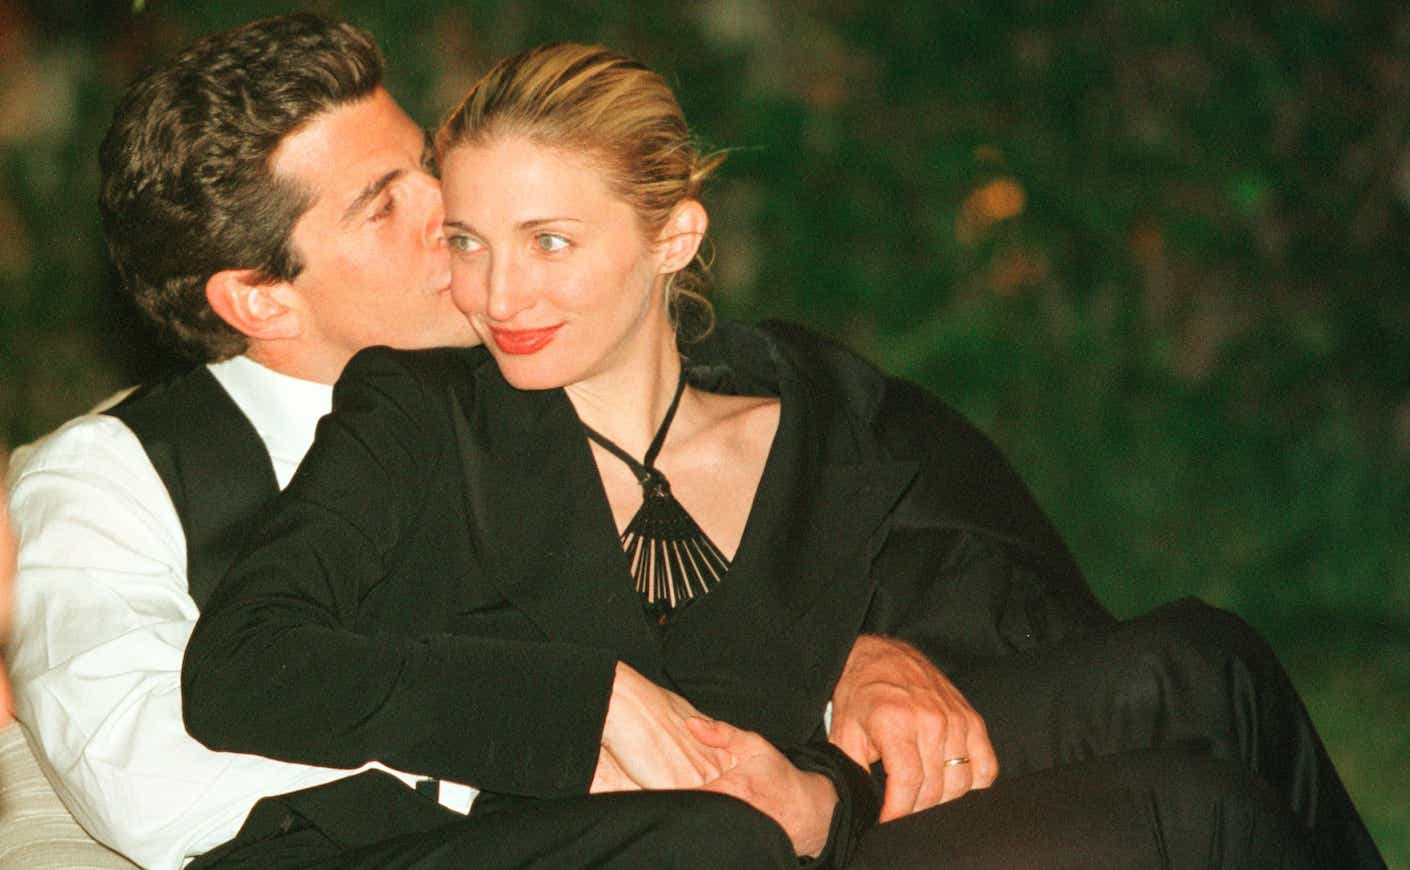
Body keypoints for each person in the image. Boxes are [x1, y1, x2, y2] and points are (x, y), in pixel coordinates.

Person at [181, 43, 1366, 867]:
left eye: (549, 242)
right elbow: (242, 666)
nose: (497, 294)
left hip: (829, 799)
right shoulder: (424, 415)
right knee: (1196, 819)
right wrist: (582, 700)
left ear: (673, 237)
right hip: (685, 851)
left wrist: (869, 662)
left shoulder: (801, 410)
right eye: (469, 242)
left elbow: (988, 591)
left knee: (1207, 665)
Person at [3, 15, 1051, 868]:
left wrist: (850, 656)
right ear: (260, 298)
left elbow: (753, 586)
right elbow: (149, 778)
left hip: (725, 813)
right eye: (384, 206)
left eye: (426, 165)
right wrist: (548, 734)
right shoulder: (108, 476)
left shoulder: (554, 369)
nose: (450, 207)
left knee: (1126, 703)